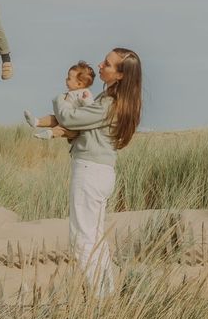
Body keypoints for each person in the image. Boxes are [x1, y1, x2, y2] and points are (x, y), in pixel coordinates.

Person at [39, 48, 143, 295]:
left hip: (90, 171)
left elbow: (69, 118)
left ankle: (100, 298)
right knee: (94, 237)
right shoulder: (113, 101)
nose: (100, 66)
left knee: (82, 239)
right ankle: (106, 294)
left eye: (107, 64)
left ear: (120, 75)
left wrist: (61, 98)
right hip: (99, 171)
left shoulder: (108, 104)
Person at [23, 62, 97, 139]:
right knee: (53, 118)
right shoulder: (72, 92)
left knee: (63, 129)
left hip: (75, 126)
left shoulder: (85, 93)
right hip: (66, 117)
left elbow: (90, 108)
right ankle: (36, 122)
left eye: (69, 78)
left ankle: (50, 133)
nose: (66, 79)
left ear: (79, 84)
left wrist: (85, 99)